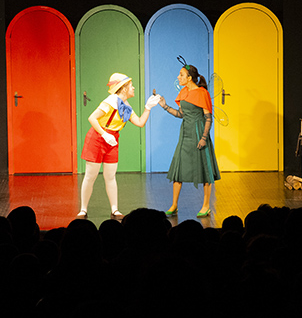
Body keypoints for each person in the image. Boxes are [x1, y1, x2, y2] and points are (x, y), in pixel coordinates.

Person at [79, 73, 159, 218]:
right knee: (90, 176)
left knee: (110, 176)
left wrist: (148, 108)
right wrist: (104, 134)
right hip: (97, 138)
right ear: (123, 88)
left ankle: (114, 209)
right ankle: (83, 209)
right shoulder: (111, 101)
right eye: (131, 86)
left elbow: (140, 122)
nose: (133, 88)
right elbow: (92, 118)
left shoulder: (126, 106)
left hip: (113, 140)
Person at [159, 61, 220, 218]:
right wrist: (165, 106)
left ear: (190, 78)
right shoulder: (184, 92)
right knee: (178, 169)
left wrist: (204, 138)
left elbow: (208, 118)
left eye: (181, 75)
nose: (178, 77)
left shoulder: (202, 93)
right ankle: (174, 205)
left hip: (199, 133)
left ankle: (206, 205)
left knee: (204, 170)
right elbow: (181, 114)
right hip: (185, 133)